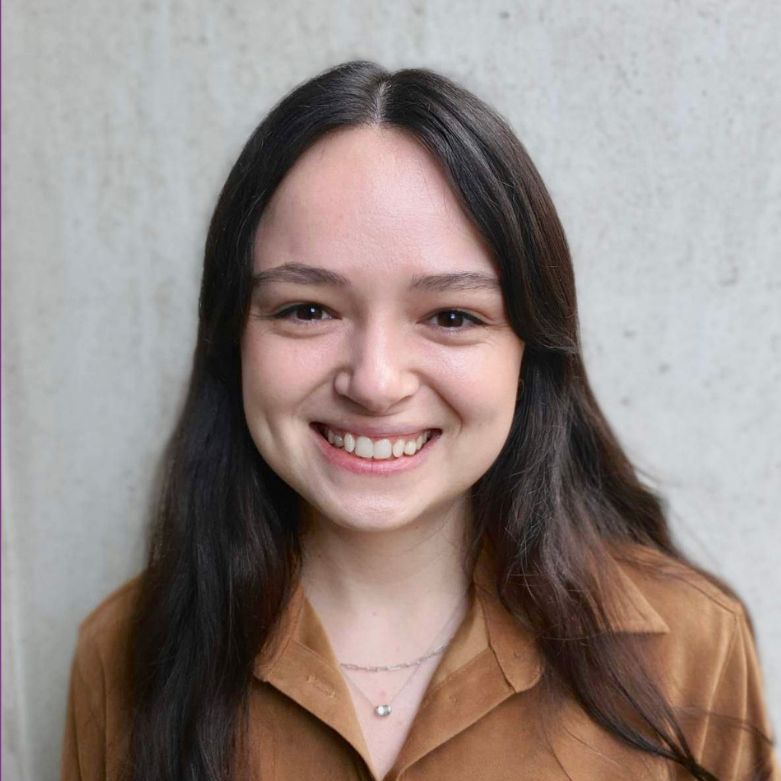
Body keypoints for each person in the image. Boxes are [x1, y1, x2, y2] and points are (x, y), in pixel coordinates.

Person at [61, 61, 778, 781]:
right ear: (232, 337)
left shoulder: (689, 643)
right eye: (307, 309)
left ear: (528, 352)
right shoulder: (124, 654)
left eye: (450, 316)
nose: (375, 382)